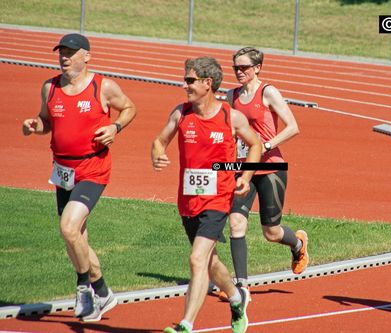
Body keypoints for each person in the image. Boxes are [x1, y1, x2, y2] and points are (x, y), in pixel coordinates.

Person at [22, 33, 137, 322]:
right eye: (61, 51)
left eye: (71, 52)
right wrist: (35, 125)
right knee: (75, 238)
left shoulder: (103, 86)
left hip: (93, 168)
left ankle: (84, 288)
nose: (64, 57)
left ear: (87, 56)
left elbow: (130, 107)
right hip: (62, 171)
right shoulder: (49, 87)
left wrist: (115, 127)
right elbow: (46, 121)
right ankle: (103, 292)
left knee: (68, 227)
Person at [152, 57, 262, 333]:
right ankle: (237, 299)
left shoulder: (230, 117)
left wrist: (246, 177)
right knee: (210, 262)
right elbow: (159, 140)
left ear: (207, 83)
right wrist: (157, 154)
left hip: (218, 199)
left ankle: (186, 324)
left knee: (197, 258)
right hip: (188, 200)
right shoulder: (181, 113)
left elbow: (256, 145)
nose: (184, 85)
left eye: (190, 80)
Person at [217, 47, 308, 301]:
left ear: (257, 68)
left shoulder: (268, 92)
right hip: (244, 168)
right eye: (236, 67)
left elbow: (293, 127)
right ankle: (241, 287)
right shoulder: (230, 95)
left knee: (271, 232)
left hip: (271, 168)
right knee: (236, 222)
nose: (239, 72)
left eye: (244, 67)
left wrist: (265, 145)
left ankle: (298, 244)